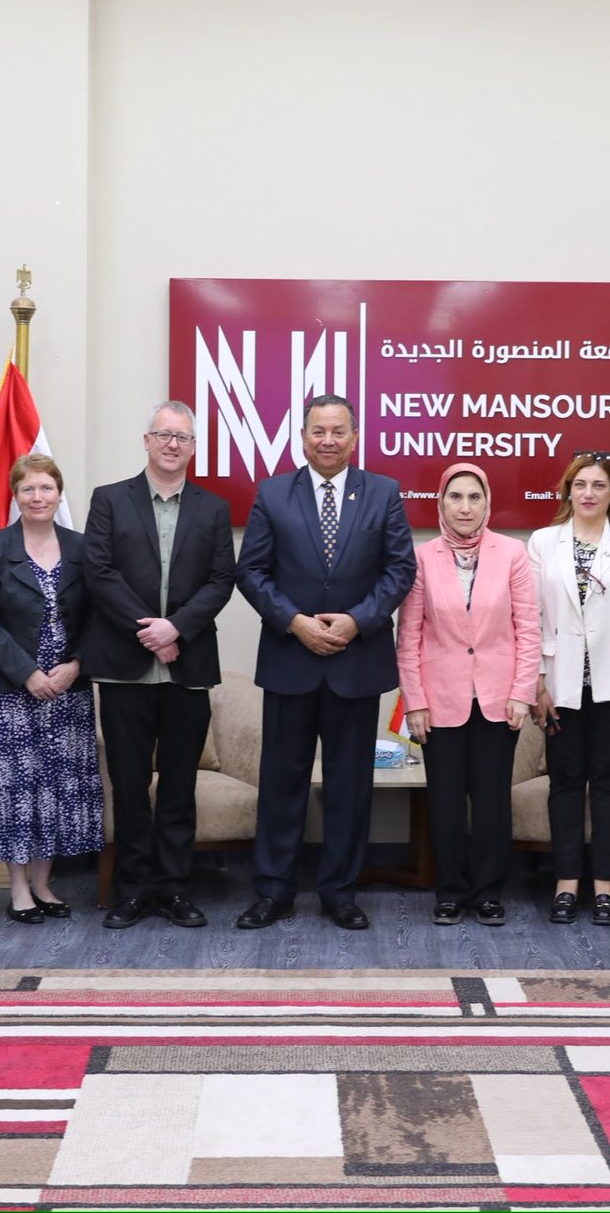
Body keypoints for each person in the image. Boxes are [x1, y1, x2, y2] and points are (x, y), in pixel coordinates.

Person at [235, 395, 416, 931]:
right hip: (290, 660)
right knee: (282, 783)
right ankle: (274, 891)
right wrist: (296, 622)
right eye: (319, 431)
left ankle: (340, 892)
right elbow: (251, 571)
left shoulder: (383, 492)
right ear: (303, 437)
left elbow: (399, 570)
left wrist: (357, 621)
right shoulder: (273, 493)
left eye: (339, 431)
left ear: (355, 437)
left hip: (356, 663)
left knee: (349, 787)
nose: (328, 440)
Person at [81, 401, 236, 930]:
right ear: (146, 440)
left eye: (183, 438)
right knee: (128, 786)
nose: (173, 445)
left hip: (188, 668)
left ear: (193, 448)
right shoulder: (109, 499)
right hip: (124, 669)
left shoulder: (213, 509)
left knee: (178, 786)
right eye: (164, 435)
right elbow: (99, 572)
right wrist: (149, 632)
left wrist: (177, 629)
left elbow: (222, 580)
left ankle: (173, 889)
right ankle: (132, 891)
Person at [396, 462, 541, 927]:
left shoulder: (512, 553)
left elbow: (528, 629)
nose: (464, 507)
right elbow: (409, 636)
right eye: (455, 497)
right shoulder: (422, 558)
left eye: (474, 497)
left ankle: (489, 892)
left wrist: (522, 692)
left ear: (487, 503)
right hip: (439, 700)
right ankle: (451, 891)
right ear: (441, 503)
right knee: (445, 801)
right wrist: (415, 701)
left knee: (492, 800)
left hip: (499, 698)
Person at [0, 454, 101, 921]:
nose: (37, 497)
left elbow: (100, 616)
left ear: (59, 494)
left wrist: (76, 665)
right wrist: (28, 673)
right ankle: (19, 888)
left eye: (46, 488)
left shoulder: (82, 547)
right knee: (15, 788)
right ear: (15, 495)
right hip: (9, 692)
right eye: (28, 489)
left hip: (67, 691)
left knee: (56, 786)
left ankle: (43, 883)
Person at [528, 451, 610, 927]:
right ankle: (565, 883)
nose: (588, 493)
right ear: (568, 491)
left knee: (607, 783)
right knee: (564, 783)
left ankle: (606, 885)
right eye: (580, 484)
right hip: (559, 684)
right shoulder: (543, 542)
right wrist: (536, 683)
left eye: (599, 485)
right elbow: (531, 617)